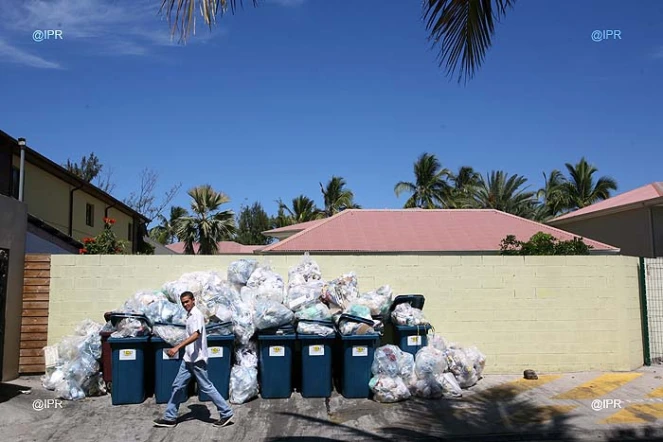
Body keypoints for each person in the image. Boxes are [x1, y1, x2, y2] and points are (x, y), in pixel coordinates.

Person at [153, 291, 234, 428]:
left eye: (187, 301)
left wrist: (177, 347)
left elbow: (196, 335)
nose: (185, 304)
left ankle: (226, 412)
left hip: (197, 359)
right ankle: (170, 417)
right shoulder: (189, 315)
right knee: (177, 386)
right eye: (183, 302)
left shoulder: (196, 315)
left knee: (207, 387)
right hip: (189, 358)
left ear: (193, 300)